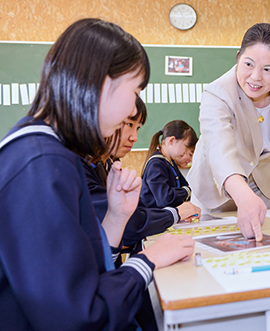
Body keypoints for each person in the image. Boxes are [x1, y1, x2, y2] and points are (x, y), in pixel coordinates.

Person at [0, 18, 194, 330]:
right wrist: (148, 261)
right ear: (100, 83)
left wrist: (115, 217)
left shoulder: (51, 152)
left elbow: (78, 268)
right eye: (135, 90)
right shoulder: (40, 164)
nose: (132, 110)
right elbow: (75, 317)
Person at [187, 23, 270, 241]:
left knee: (267, 245)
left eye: (268, 70)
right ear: (238, 57)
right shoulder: (217, 92)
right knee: (218, 250)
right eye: (248, 64)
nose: (255, 77)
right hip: (218, 188)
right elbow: (218, 148)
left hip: (261, 188)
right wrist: (242, 195)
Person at [85, 97, 200, 263]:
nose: (135, 137)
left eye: (138, 128)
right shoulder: (155, 163)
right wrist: (175, 213)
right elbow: (132, 222)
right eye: (130, 125)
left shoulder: (109, 163)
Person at [140, 120, 198, 209]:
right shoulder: (156, 164)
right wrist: (186, 191)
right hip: (154, 219)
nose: (189, 157)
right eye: (187, 149)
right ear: (171, 141)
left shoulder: (170, 163)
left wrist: (186, 191)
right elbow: (165, 199)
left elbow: (185, 187)